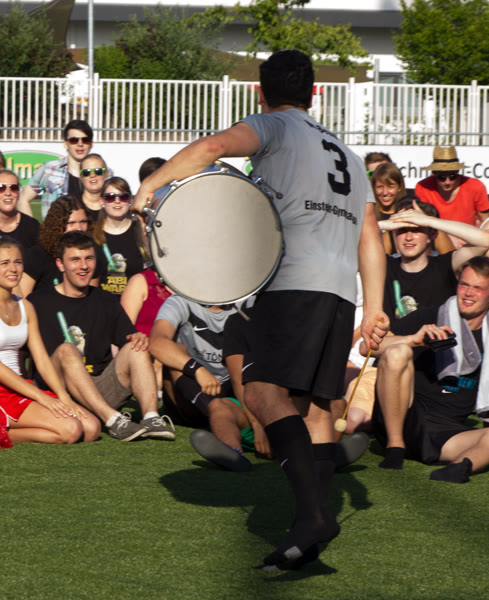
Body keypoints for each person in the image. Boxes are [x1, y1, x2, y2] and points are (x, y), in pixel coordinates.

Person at [133, 50, 386, 570]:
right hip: (340, 292)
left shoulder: (274, 126)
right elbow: (370, 235)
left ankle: (313, 516)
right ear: (314, 92)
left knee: (262, 394)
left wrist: (150, 185)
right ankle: (308, 532)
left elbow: (214, 147)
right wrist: (375, 308)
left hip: (292, 284)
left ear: (260, 92)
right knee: (317, 409)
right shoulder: (348, 153)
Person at [373, 258, 489, 480]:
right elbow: (369, 348)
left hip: (447, 431)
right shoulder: (430, 316)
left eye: (478, 288)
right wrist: (413, 340)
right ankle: (395, 447)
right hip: (405, 415)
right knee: (397, 352)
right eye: (464, 284)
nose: (469, 293)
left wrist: (488, 446)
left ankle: (457, 469)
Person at [29, 231, 173, 442]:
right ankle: (113, 421)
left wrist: (139, 338)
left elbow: (129, 340)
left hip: (100, 387)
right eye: (75, 259)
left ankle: (151, 417)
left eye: (89, 258)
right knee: (67, 349)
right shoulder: (37, 301)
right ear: (60, 264)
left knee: (137, 345)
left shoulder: (106, 300)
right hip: (58, 391)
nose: (83, 266)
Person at [0, 239, 92, 443]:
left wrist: (63, 396)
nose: (13, 269)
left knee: (92, 428)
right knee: (71, 430)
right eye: (4, 263)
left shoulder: (25, 306)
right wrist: (42, 397)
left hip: (19, 385)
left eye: (18, 262)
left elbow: (41, 359)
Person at [150, 294, 260, 472]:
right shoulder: (181, 301)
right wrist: (197, 370)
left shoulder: (246, 301)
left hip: (230, 396)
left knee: (220, 406)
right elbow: (156, 343)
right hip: (189, 396)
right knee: (176, 349)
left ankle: (233, 454)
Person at [381, 203, 489, 323]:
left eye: (416, 230)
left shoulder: (444, 266)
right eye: (402, 230)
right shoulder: (384, 266)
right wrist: (383, 224)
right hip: (394, 335)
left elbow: (484, 240)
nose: (408, 237)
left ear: (432, 234)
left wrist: (429, 221)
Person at [19, 196, 101, 297]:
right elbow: (22, 298)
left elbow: (91, 296)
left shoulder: (93, 254)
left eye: (83, 222)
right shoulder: (37, 255)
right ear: (57, 225)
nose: (79, 228)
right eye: (71, 223)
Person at [23, 119, 95, 217]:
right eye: (74, 140)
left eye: (85, 140)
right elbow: (23, 198)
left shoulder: (101, 174)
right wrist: (32, 225)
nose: (80, 144)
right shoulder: (49, 169)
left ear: (91, 144)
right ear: (66, 144)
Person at [92, 177, 146, 296]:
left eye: (123, 197)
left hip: (135, 301)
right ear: (102, 201)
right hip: (103, 303)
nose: (117, 201)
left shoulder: (140, 231)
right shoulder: (92, 234)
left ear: (130, 200)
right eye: (110, 197)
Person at [413, 147, 489, 226]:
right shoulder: (423, 187)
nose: (447, 182)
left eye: (452, 176)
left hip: (467, 233)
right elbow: (422, 220)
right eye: (442, 177)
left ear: (458, 171)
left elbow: (485, 222)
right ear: (434, 173)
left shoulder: (476, 186)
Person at [0, 170, 41, 248]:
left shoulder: (33, 227)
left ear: (18, 193)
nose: (8, 193)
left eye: (13, 188)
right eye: (1, 188)